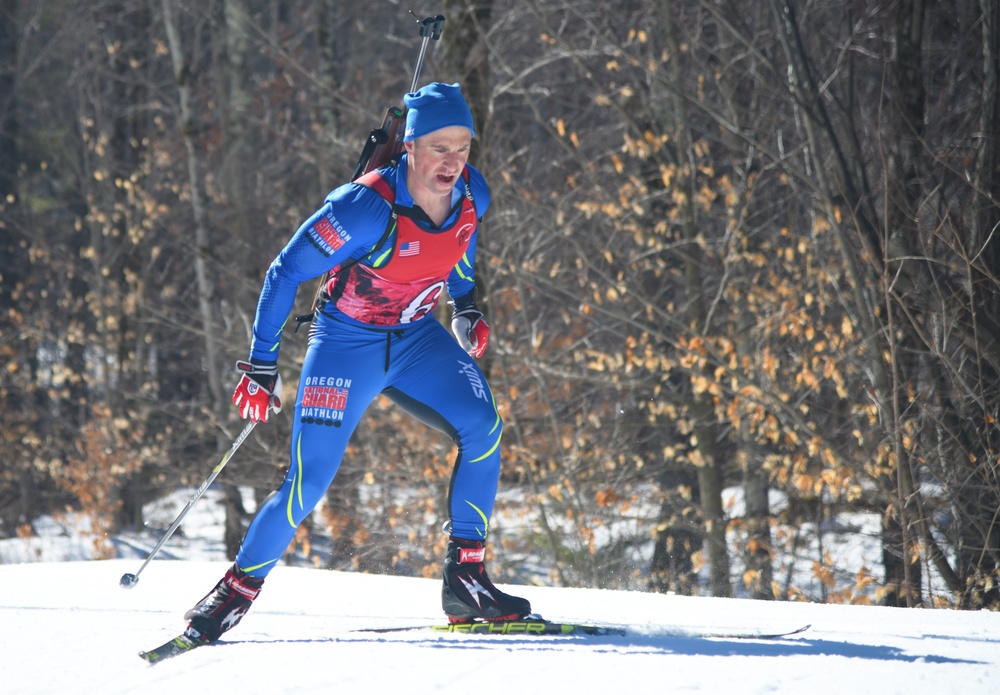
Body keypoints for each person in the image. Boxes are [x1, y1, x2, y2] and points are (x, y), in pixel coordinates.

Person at [182, 82, 531, 644]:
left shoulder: (473, 193)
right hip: (347, 347)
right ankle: (234, 593)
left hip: (418, 339)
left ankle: (467, 581)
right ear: (410, 147)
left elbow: (459, 247)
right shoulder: (364, 208)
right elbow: (283, 272)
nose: (453, 161)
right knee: (308, 480)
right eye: (439, 147)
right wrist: (261, 365)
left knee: (484, 426)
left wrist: (465, 306)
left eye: (462, 145)